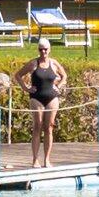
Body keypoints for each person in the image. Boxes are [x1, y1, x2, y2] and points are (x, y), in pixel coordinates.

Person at [19, 35, 69, 166]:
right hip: (37, 98)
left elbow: (64, 76)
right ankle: (35, 159)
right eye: (41, 49)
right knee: (37, 126)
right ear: (38, 50)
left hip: (52, 97)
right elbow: (18, 75)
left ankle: (47, 159)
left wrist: (59, 86)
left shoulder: (54, 63)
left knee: (49, 127)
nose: (43, 52)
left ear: (49, 49)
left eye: (45, 49)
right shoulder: (33, 63)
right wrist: (26, 88)